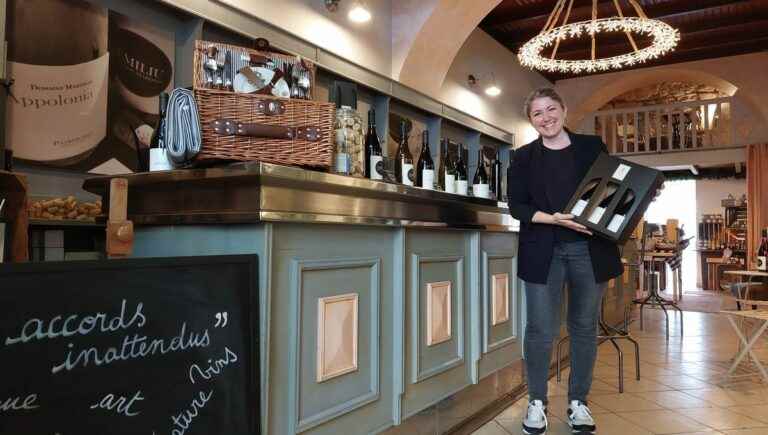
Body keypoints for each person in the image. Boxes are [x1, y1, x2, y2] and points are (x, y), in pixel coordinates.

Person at [507, 87, 623, 434]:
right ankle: (537, 402)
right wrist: (553, 218)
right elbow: (518, 207)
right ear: (532, 120)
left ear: (564, 109)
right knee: (540, 330)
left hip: (589, 250)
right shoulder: (522, 157)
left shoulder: (591, 147)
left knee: (583, 328)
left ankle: (578, 403)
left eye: (550, 109)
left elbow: (615, 191)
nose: (546, 117)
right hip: (544, 250)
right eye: (537, 113)